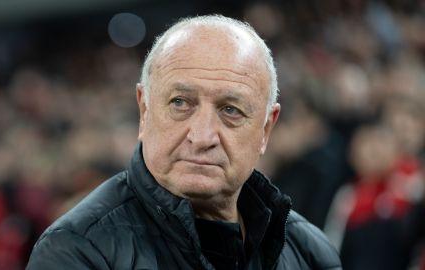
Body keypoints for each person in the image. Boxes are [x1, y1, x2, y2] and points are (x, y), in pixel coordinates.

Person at [27, 15, 341, 269]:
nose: (202, 136)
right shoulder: (76, 250)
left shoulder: (310, 251)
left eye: (230, 110)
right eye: (180, 103)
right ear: (144, 111)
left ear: (265, 130)